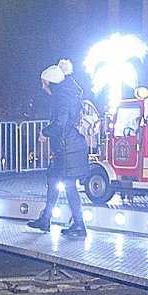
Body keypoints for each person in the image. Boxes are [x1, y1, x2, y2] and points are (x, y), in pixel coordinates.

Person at [27, 59, 88, 237]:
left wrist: (44, 133)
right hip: (68, 147)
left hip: (68, 148)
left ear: (53, 82)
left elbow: (60, 123)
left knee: (68, 186)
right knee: (54, 181)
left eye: (44, 83)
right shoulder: (66, 94)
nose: (43, 87)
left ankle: (78, 225)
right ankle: (46, 219)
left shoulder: (62, 97)